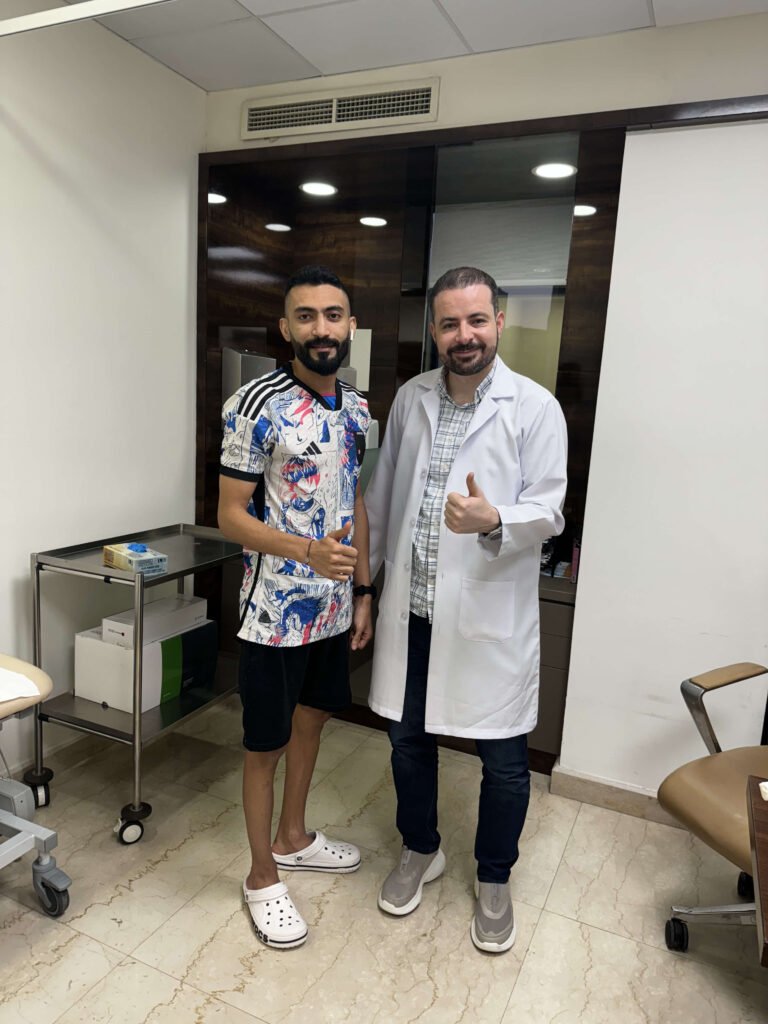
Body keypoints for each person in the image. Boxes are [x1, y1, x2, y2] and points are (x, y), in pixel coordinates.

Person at [365, 266, 567, 953]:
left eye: (477, 320)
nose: (464, 335)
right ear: (434, 329)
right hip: (413, 611)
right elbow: (382, 500)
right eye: (450, 323)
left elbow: (549, 509)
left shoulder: (534, 407)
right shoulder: (411, 399)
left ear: (499, 322)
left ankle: (494, 877)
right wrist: (364, 589)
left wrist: (494, 519)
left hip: (486, 619)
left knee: (504, 763)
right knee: (406, 743)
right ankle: (420, 848)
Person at [218, 265, 375, 950]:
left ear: (350, 326)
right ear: (286, 328)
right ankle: (261, 877)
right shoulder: (254, 404)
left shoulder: (359, 409)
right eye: (306, 316)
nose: (321, 328)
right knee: (266, 744)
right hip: (272, 614)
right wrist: (305, 552)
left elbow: (356, 500)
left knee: (313, 722)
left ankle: (293, 837)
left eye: (333, 315)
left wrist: (362, 589)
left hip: (332, 611)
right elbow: (229, 514)